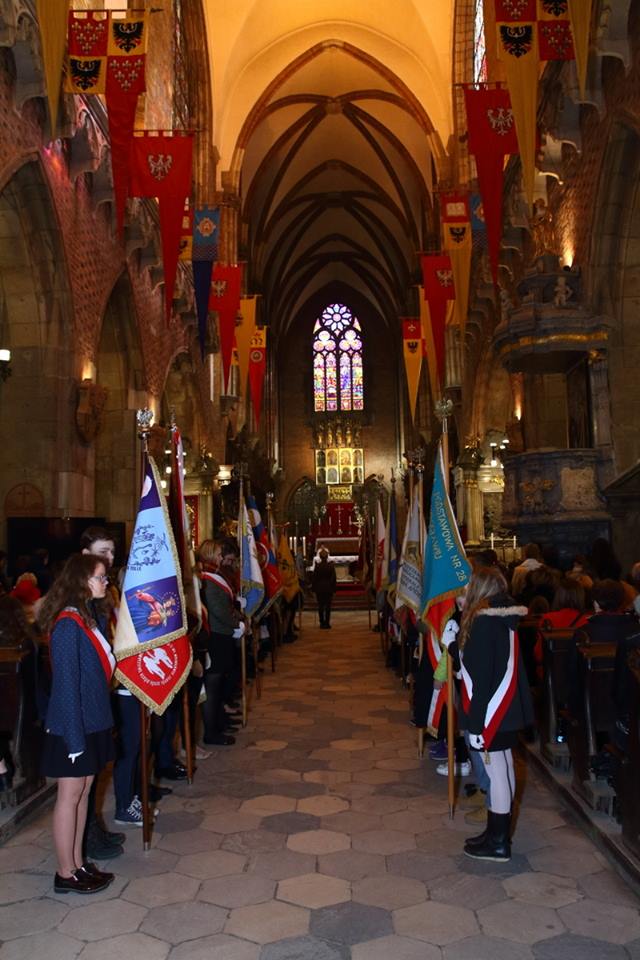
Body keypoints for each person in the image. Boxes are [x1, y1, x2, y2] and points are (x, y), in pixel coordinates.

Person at [38, 554, 116, 893]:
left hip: (90, 721)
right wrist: (74, 741)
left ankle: (78, 863)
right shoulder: (68, 624)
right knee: (69, 796)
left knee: (83, 793)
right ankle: (64, 872)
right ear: (82, 581)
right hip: (73, 726)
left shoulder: (86, 616)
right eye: (100, 577)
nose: (105, 582)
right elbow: (67, 686)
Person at [456, 566, 532, 862]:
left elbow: (482, 677)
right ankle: (495, 832)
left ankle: (498, 842)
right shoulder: (503, 617)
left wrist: (476, 725)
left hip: (492, 711)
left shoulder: (484, 623)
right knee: (504, 766)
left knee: (497, 772)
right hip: (507, 708)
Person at [199, 539, 241, 746]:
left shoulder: (215, 576)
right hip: (216, 636)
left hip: (222, 635)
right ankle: (212, 731)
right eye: (217, 554)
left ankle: (220, 722)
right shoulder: (208, 578)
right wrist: (236, 624)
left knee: (219, 684)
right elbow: (219, 610)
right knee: (213, 687)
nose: (220, 557)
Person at [312, 548, 336, 629]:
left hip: (319, 589)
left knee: (320, 606)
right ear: (327, 557)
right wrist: (334, 589)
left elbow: (314, 579)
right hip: (328, 588)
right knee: (328, 606)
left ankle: (322, 623)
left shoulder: (317, 566)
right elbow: (333, 579)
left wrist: (313, 590)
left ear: (320, 557)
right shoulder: (331, 566)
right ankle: (327, 623)